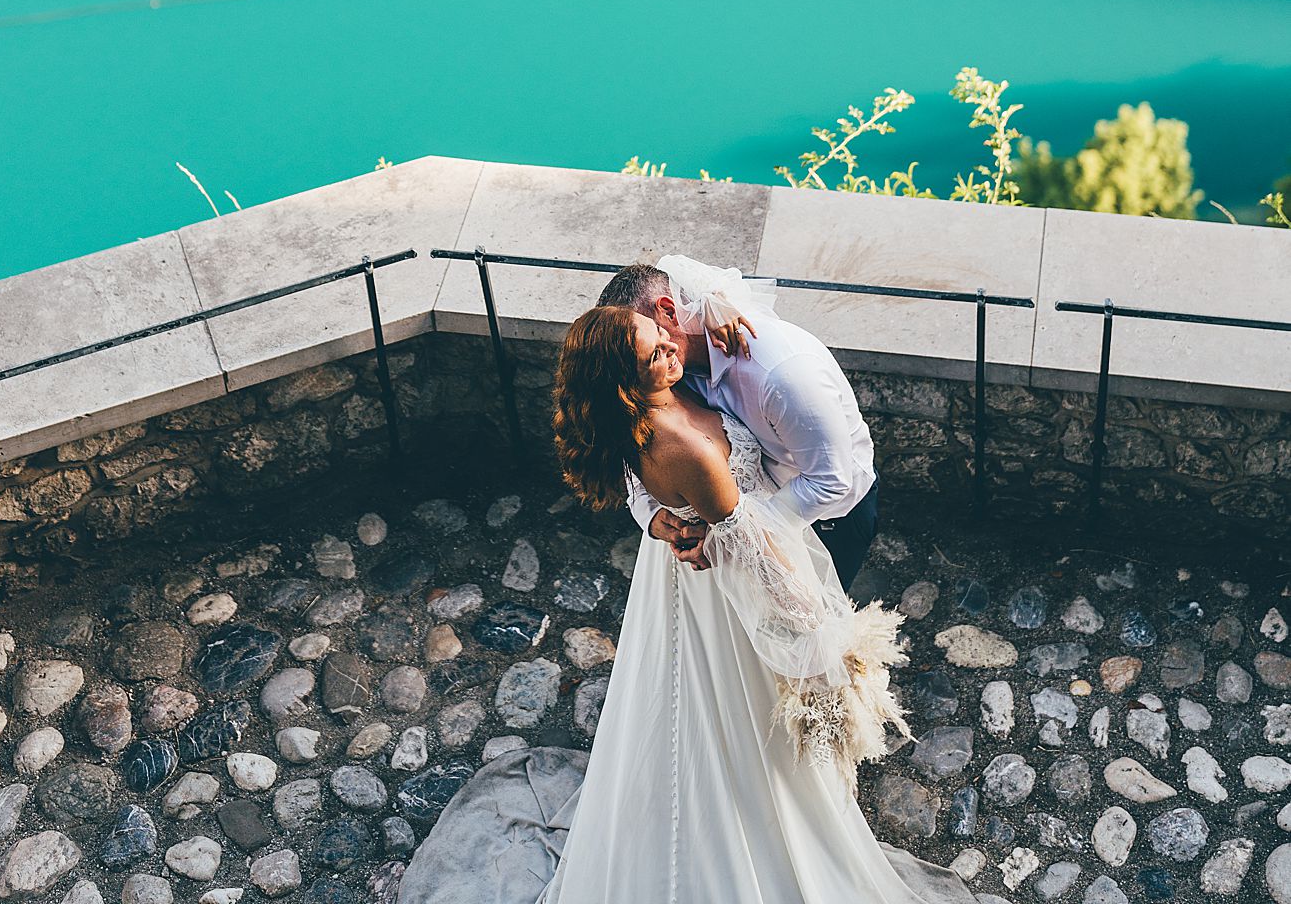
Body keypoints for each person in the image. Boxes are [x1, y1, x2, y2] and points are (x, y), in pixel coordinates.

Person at [399, 287, 974, 904]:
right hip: (723, 592)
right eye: (654, 355)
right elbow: (753, 555)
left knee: (688, 707)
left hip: (681, 579)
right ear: (625, 384)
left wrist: (722, 300)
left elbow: (680, 292)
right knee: (738, 720)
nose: (673, 344)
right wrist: (820, 641)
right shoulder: (688, 449)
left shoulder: (644, 412)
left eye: (661, 335)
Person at [600, 254, 881, 591]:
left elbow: (831, 480)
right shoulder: (658, 366)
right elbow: (634, 429)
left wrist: (730, 540)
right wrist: (648, 512)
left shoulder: (784, 376)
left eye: (644, 334)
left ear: (669, 311)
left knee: (808, 625)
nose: (632, 356)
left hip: (828, 519)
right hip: (736, 525)